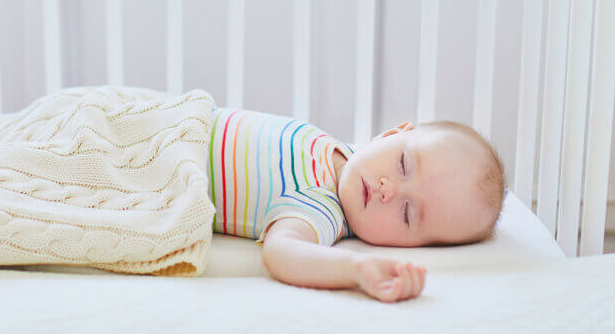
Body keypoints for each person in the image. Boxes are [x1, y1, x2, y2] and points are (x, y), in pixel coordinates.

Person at [208, 107, 507, 303]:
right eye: (403, 164)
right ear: (392, 134)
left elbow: (281, 251)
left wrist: (356, 268)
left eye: (407, 213)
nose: (387, 189)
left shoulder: (323, 209)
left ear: (409, 246)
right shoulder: (339, 150)